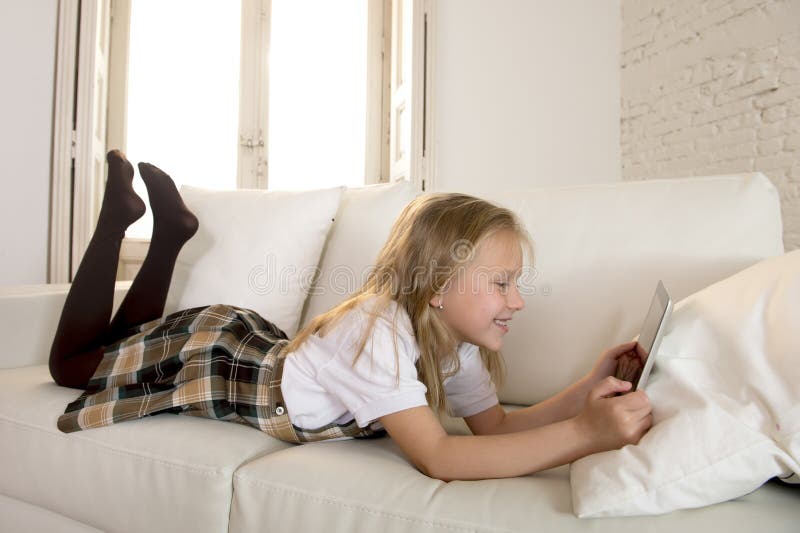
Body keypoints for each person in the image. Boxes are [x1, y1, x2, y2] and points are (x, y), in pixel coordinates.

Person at [50, 150, 653, 481]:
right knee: (73, 365)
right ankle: (122, 223)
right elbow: (440, 458)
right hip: (222, 356)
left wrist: (586, 392)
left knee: (118, 344)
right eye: (501, 283)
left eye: (516, 284)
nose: (517, 300)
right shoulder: (378, 329)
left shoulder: (457, 342)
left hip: (264, 347)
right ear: (437, 286)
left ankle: (171, 236)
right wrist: (583, 436)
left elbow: (493, 431)